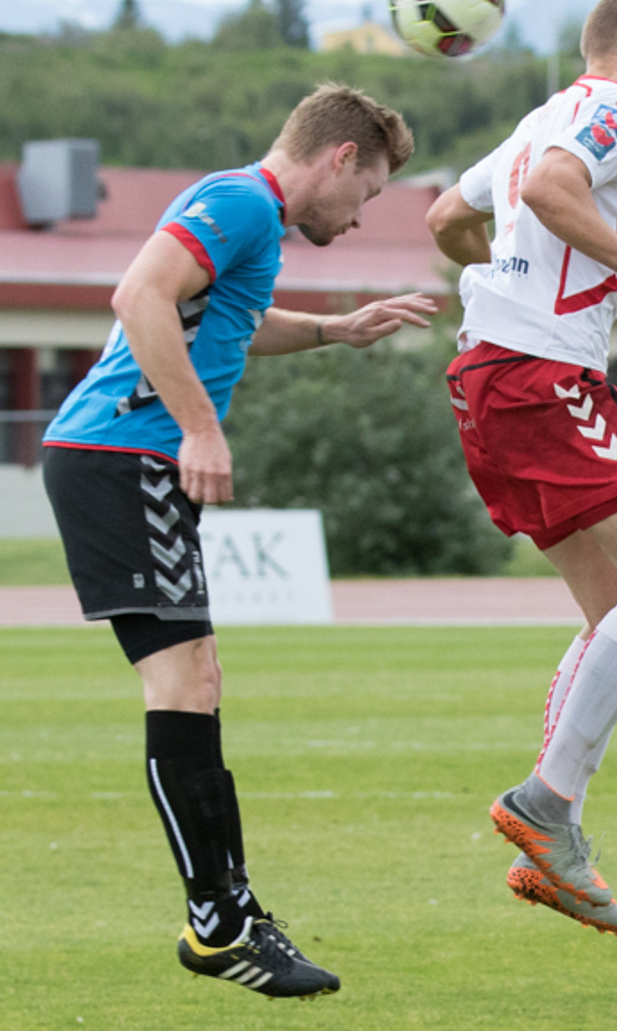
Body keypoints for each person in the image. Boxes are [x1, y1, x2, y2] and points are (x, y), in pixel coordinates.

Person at [42, 82, 436, 1001]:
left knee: (198, 680)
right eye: (369, 192)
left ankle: (227, 911)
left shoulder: (243, 210)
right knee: (184, 683)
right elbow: (140, 296)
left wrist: (333, 329)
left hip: (123, 458)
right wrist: (200, 429)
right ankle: (219, 922)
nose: (360, 215)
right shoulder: (244, 203)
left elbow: (228, 323)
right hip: (121, 455)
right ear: (340, 157)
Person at [426, 0, 617, 939]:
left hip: (489, 373)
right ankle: (547, 805)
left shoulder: (540, 118)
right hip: (544, 374)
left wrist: (502, 283)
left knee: (615, 609)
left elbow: (446, 219)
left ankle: (554, 841)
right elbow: (552, 189)